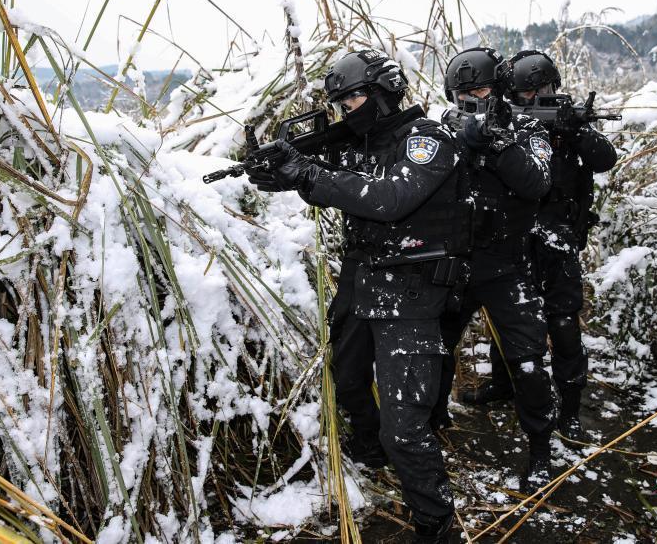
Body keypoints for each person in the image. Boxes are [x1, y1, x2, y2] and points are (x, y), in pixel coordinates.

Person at [246, 49, 471, 543]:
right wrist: (279, 172)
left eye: (355, 96)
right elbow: (327, 176)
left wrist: (307, 175)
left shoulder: (427, 141)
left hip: (412, 291)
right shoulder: (354, 143)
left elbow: (390, 199)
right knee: (347, 383)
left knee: (405, 426)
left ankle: (435, 522)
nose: (348, 108)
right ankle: (373, 459)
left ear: (387, 91)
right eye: (341, 101)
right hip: (362, 278)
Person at [462, 50, 618, 443]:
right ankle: (504, 385)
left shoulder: (566, 118)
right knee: (506, 319)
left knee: (563, 324)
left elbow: (604, 159)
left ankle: (569, 408)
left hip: (558, 240)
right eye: (524, 92)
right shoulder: (506, 120)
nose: (534, 98)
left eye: (542, 89)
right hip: (514, 238)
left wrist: (575, 129)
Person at [434, 47, 557, 490]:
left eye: (480, 89)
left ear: (500, 89)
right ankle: (434, 424)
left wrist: (497, 143)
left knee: (527, 362)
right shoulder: (446, 128)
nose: (471, 99)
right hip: (458, 264)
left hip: (508, 266)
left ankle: (540, 448)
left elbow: (537, 182)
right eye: (462, 92)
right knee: (437, 350)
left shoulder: (527, 129)